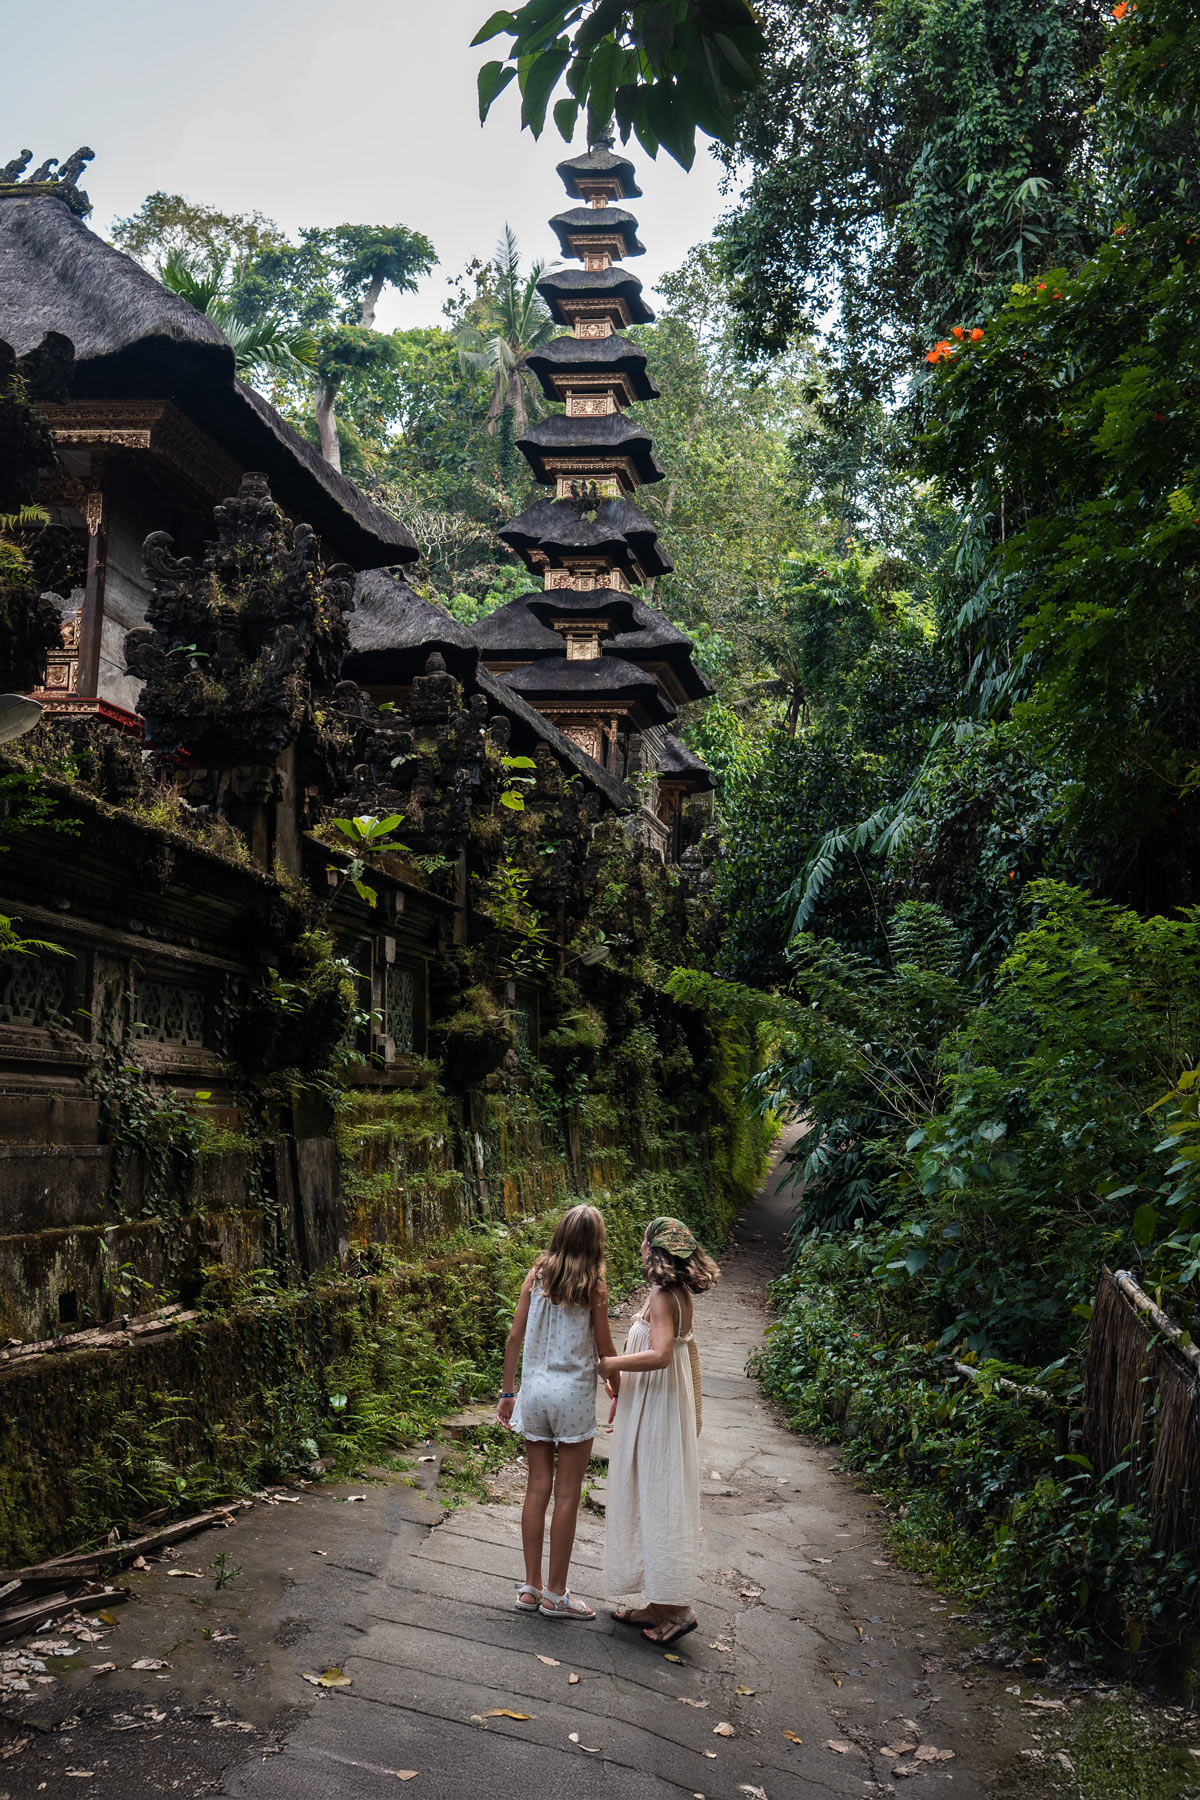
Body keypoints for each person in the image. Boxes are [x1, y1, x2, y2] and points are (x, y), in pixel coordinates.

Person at [598, 1215, 720, 1645]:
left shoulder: (663, 1296)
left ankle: (680, 1609)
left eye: (644, 1243)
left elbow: (662, 1354)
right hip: (657, 1402)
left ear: (655, 1251)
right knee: (653, 1494)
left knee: (658, 1494)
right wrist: (623, 1398)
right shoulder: (676, 1292)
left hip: (660, 1407)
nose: (639, 1249)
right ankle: (660, 1602)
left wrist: (611, 1364)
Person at [497, 1203, 619, 1619]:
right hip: (572, 1398)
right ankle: (556, 1594)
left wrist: (507, 1393)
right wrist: (617, 1389)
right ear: (595, 1241)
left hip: (534, 1393)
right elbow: (605, 1351)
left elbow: (515, 1336)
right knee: (567, 1494)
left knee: (536, 1488)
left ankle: (529, 1588)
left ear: (560, 1234)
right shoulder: (594, 1286)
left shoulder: (538, 1275)